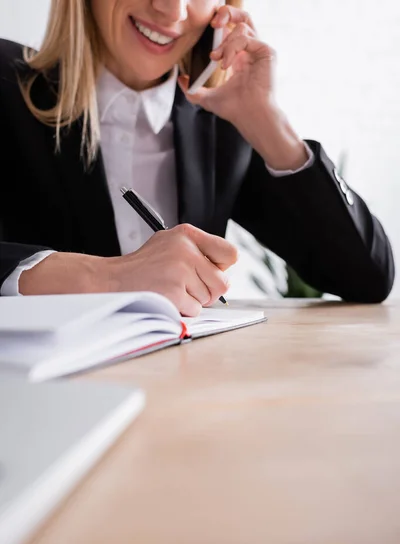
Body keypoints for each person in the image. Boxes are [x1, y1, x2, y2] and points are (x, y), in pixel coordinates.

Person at [0, 0, 394, 316]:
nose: (172, 10)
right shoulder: (7, 84)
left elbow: (368, 277)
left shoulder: (221, 126)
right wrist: (108, 278)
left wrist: (269, 125)